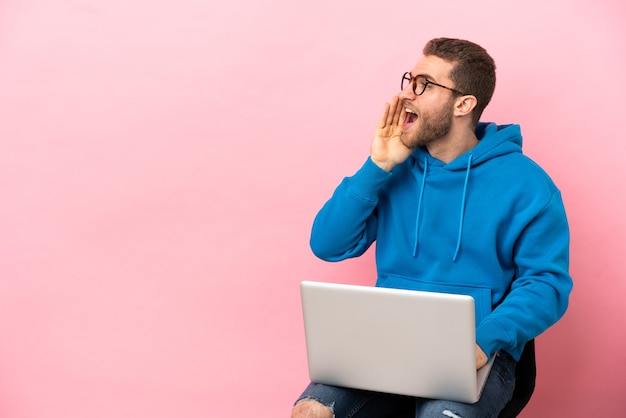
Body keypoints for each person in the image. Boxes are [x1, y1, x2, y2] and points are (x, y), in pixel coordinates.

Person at [291, 38, 573, 418]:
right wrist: (377, 166)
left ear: (463, 104)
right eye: (410, 81)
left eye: (424, 85)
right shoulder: (395, 168)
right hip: (387, 339)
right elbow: (328, 244)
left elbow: (546, 283)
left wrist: (485, 338)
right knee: (311, 411)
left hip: (477, 346)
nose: (407, 95)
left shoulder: (529, 185)